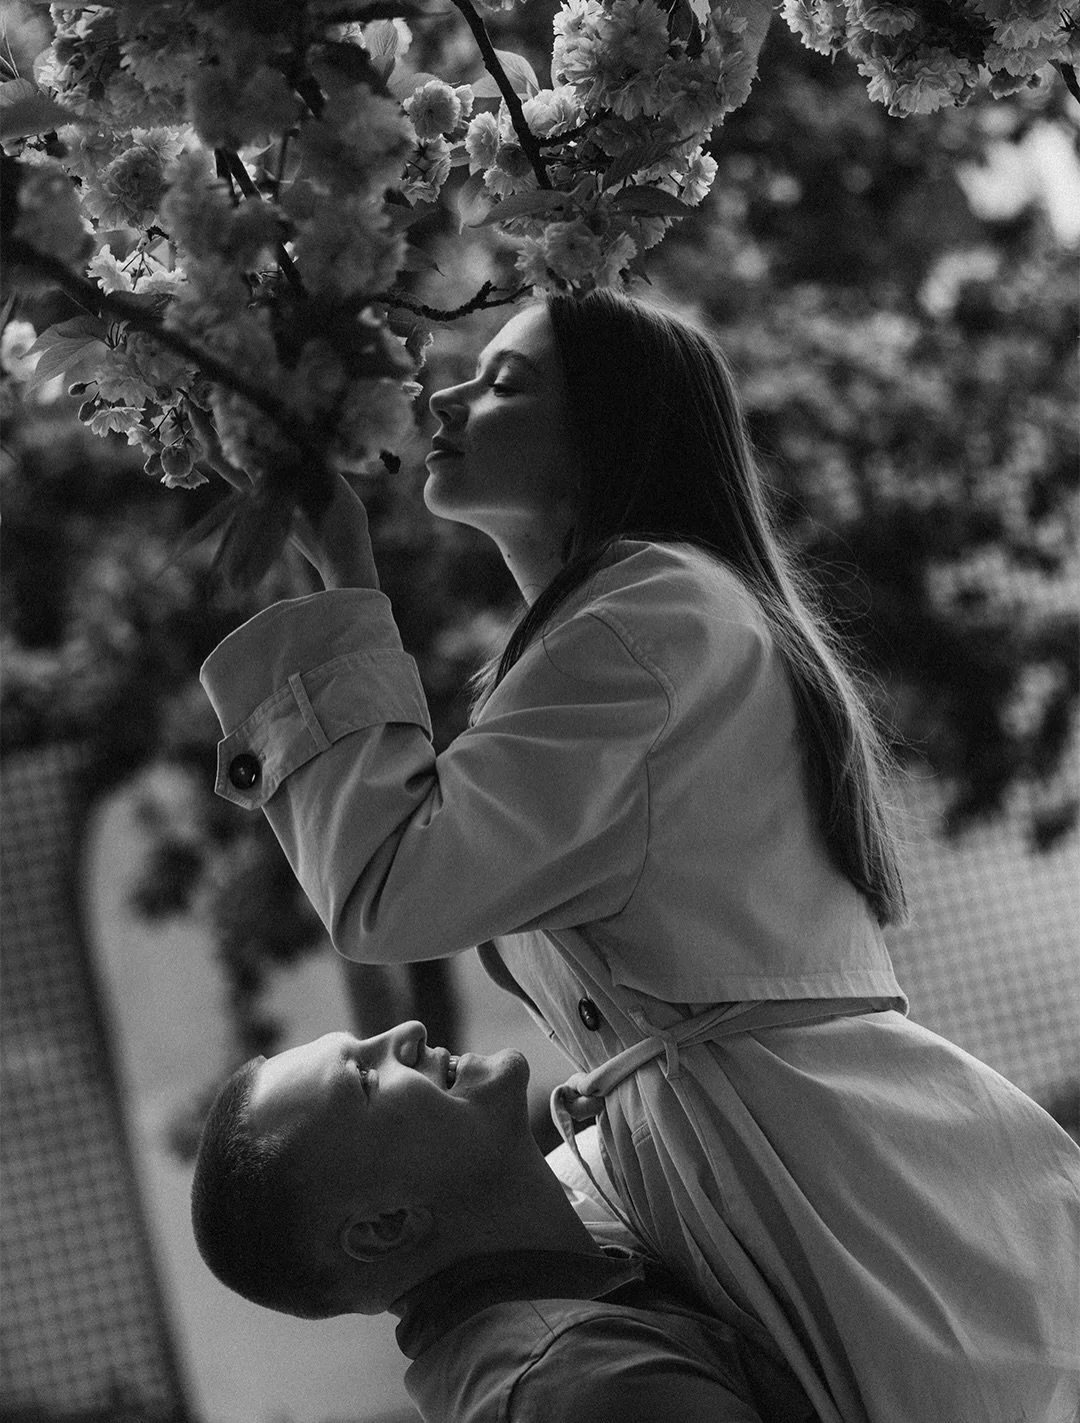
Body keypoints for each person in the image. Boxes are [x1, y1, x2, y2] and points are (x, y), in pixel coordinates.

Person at [198, 290, 1080, 1422]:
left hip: (804, 1171)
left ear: (610, 432)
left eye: (506, 383)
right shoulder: (627, 619)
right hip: (778, 1154)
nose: (446, 397)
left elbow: (391, 889)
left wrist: (346, 577)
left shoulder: (647, 615)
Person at [190, 1021, 817, 1423]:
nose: (407, 1032)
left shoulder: (605, 1212)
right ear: (385, 1225)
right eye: (365, 1078)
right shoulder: (572, 1387)